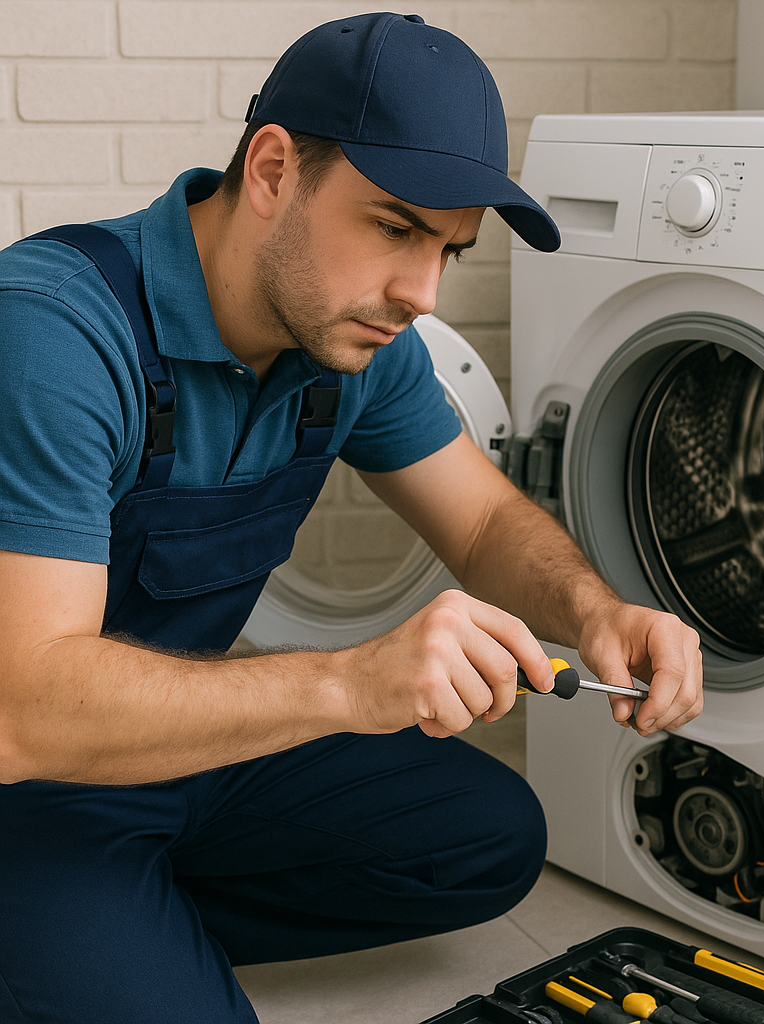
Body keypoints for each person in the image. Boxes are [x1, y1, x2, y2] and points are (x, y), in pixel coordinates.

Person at [0, 12, 702, 1023]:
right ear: (273, 171)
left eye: (449, 250)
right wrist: (346, 682)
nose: (422, 293)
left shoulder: (357, 344)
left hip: (173, 757)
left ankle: (116, 919)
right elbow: (24, 709)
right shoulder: (56, 333)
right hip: (26, 780)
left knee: (488, 835)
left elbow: (481, 524)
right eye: (394, 228)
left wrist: (597, 611)